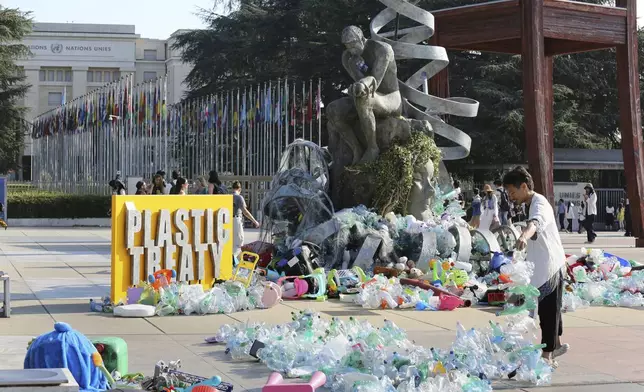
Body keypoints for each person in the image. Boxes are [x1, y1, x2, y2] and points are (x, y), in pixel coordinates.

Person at [502, 166, 568, 366]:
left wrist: (523, 235)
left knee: (548, 310)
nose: (511, 197)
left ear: (524, 186)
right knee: (538, 308)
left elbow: (535, 223)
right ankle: (554, 345)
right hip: (537, 265)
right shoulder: (529, 204)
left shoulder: (540, 203)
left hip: (549, 266)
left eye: (512, 192)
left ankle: (547, 355)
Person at [232, 181, 260, 257]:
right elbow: (245, 211)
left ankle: (232, 260)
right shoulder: (239, 197)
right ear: (239, 189)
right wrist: (255, 221)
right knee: (239, 241)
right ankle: (234, 261)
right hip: (236, 219)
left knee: (231, 242)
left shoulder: (228, 196)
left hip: (228, 220)